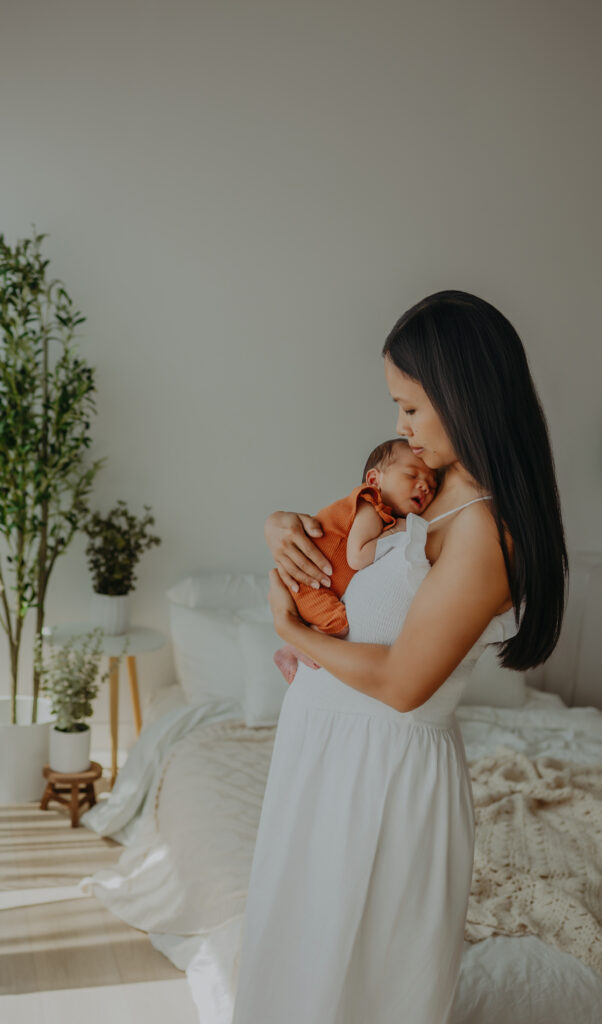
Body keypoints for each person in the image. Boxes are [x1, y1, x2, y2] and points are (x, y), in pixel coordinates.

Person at [231, 290, 568, 1024]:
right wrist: (278, 526)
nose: (399, 426)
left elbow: (402, 684)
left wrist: (290, 630)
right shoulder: (424, 491)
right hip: (322, 754)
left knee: (361, 985)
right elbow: (335, 544)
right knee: (299, 967)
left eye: (410, 406)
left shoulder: (484, 533)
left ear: (464, 396)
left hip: (383, 775)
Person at [273, 437, 438, 683]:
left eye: (432, 486)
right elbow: (357, 557)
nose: (424, 486)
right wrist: (397, 531)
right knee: (339, 626)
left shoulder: (379, 513)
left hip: (310, 583)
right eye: (412, 475)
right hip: (309, 585)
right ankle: (292, 648)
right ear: (374, 479)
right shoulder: (369, 505)